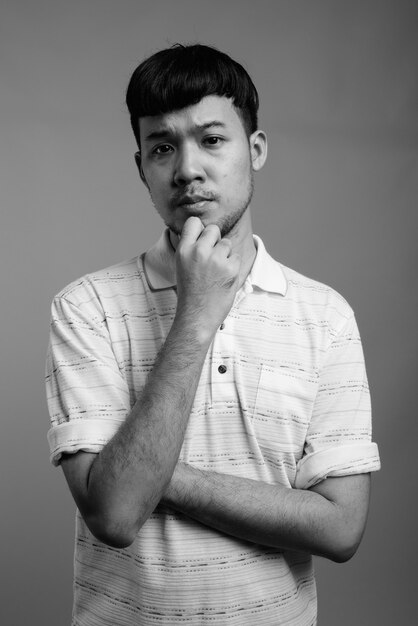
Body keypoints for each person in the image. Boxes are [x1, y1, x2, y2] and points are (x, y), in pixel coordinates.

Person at [46, 44, 380, 625]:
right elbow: (117, 517)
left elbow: (342, 526)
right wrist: (196, 315)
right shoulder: (86, 307)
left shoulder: (326, 316)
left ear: (256, 150)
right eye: (163, 147)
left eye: (212, 139)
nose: (187, 168)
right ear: (142, 167)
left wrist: (149, 474)